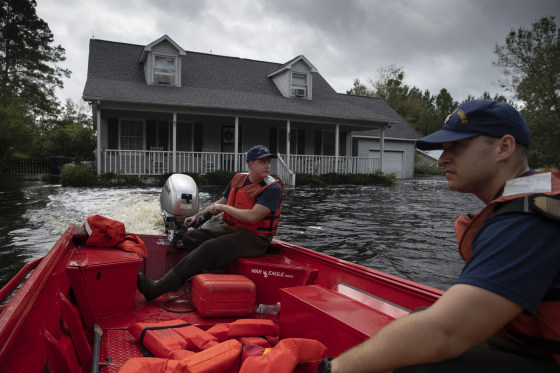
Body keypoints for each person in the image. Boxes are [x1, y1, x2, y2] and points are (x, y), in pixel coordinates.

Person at [320, 100, 560, 373]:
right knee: (421, 321)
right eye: (444, 149)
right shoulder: (530, 197)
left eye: (457, 146)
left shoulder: (529, 218)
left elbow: (444, 334)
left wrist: (333, 369)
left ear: (504, 147)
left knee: (418, 363)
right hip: (532, 351)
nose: (443, 159)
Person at [138, 145, 283, 301]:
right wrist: (197, 217)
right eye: (262, 162)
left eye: (268, 161)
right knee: (189, 238)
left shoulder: (272, 188)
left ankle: (157, 288)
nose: (267, 165)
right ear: (250, 164)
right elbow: (220, 202)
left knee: (208, 247)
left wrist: (223, 207)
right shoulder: (239, 179)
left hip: (255, 239)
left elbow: (252, 217)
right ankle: (212, 273)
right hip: (234, 230)